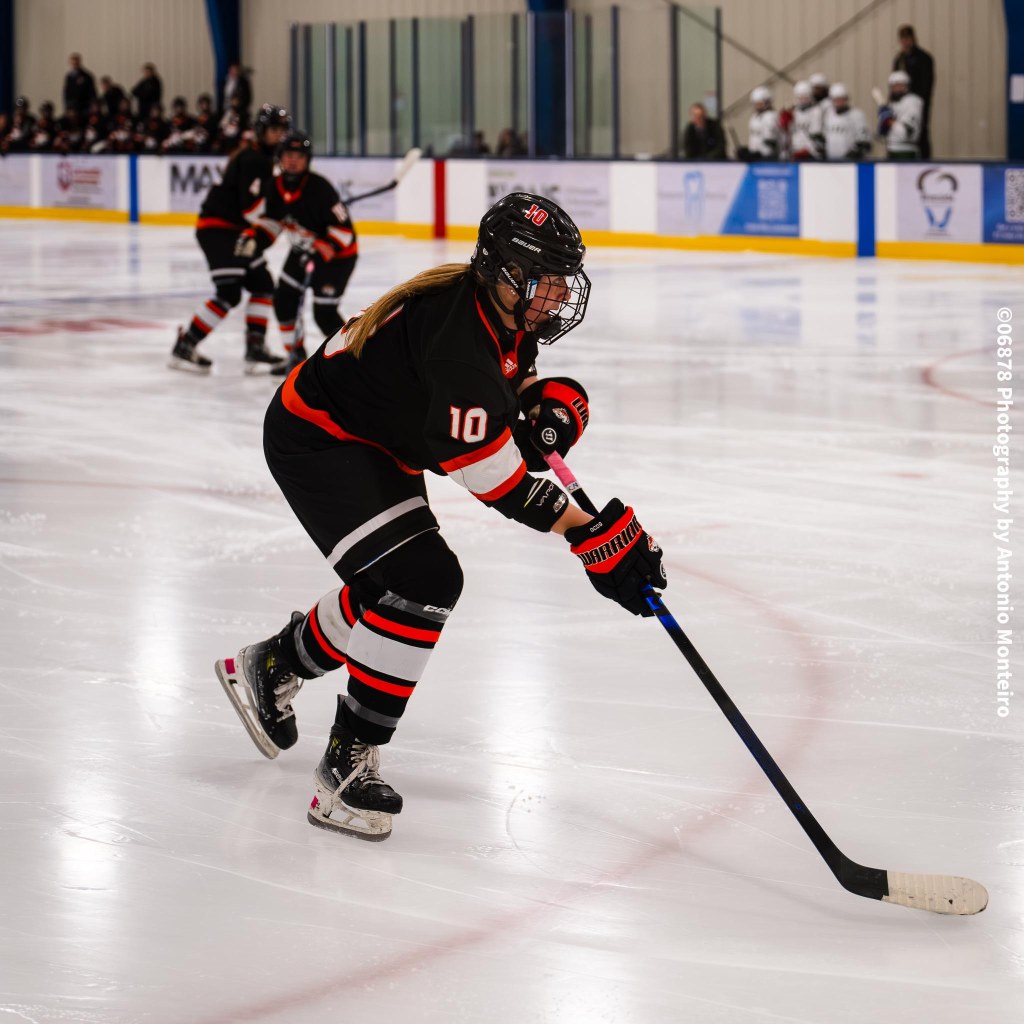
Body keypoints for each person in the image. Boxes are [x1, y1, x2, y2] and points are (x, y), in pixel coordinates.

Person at [212, 191, 668, 842]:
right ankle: (345, 763)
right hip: (319, 439)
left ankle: (275, 666)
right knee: (422, 580)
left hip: (370, 440)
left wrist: (557, 407)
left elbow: (511, 393)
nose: (561, 295)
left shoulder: (497, 313)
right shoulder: (459, 341)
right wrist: (585, 532)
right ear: (507, 273)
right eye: (548, 280)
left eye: (564, 281)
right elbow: (493, 477)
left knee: (397, 582)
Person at [168, 104, 292, 374]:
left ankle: (255, 347)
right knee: (229, 292)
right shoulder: (254, 160)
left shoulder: (261, 158)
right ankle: (185, 344)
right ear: (261, 130)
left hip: (234, 231)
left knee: (262, 284)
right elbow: (250, 210)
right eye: (274, 129)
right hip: (219, 230)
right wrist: (282, 210)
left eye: (283, 130)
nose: (279, 135)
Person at [235, 131, 359, 374]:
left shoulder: (320, 188)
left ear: (307, 160)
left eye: (299, 156)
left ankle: (355, 361)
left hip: (336, 259)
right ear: (280, 157)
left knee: (324, 314)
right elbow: (273, 223)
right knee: (283, 300)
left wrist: (328, 245)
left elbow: (344, 231)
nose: (293, 160)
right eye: (288, 154)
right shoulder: (274, 187)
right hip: (302, 252)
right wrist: (255, 238)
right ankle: (296, 357)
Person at [893, 24, 934, 159]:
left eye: (908, 38)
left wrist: (916, 100)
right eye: (903, 39)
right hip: (901, 102)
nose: (905, 42)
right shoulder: (899, 59)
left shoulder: (923, 58)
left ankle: (924, 159)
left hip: (917, 101)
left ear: (913, 39)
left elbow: (926, 84)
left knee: (920, 130)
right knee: (899, 130)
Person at [877, 70, 923, 160]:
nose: (895, 89)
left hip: (906, 150)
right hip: (891, 148)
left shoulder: (912, 101)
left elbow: (905, 133)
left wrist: (888, 119)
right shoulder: (893, 103)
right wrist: (883, 123)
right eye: (892, 86)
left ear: (906, 86)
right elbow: (883, 133)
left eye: (898, 85)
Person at [822, 83, 870, 161]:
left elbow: (864, 140)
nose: (838, 103)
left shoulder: (857, 115)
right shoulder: (828, 115)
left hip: (850, 162)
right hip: (831, 161)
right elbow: (825, 137)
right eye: (835, 100)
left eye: (841, 99)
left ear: (846, 99)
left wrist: (854, 153)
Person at [739, 86, 779, 161]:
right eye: (756, 103)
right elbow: (753, 136)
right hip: (755, 154)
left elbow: (770, 139)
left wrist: (762, 151)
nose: (758, 106)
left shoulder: (771, 116)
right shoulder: (754, 117)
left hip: (766, 156)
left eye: (760, 103)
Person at [787, 81, 823, 160]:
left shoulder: (816, 111)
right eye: (800, 98)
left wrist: (809, 149)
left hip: (811, 153)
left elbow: (815, 133)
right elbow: (791, 133)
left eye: (805, 98)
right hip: (795, 150)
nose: (802, 101)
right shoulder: (793, 112)